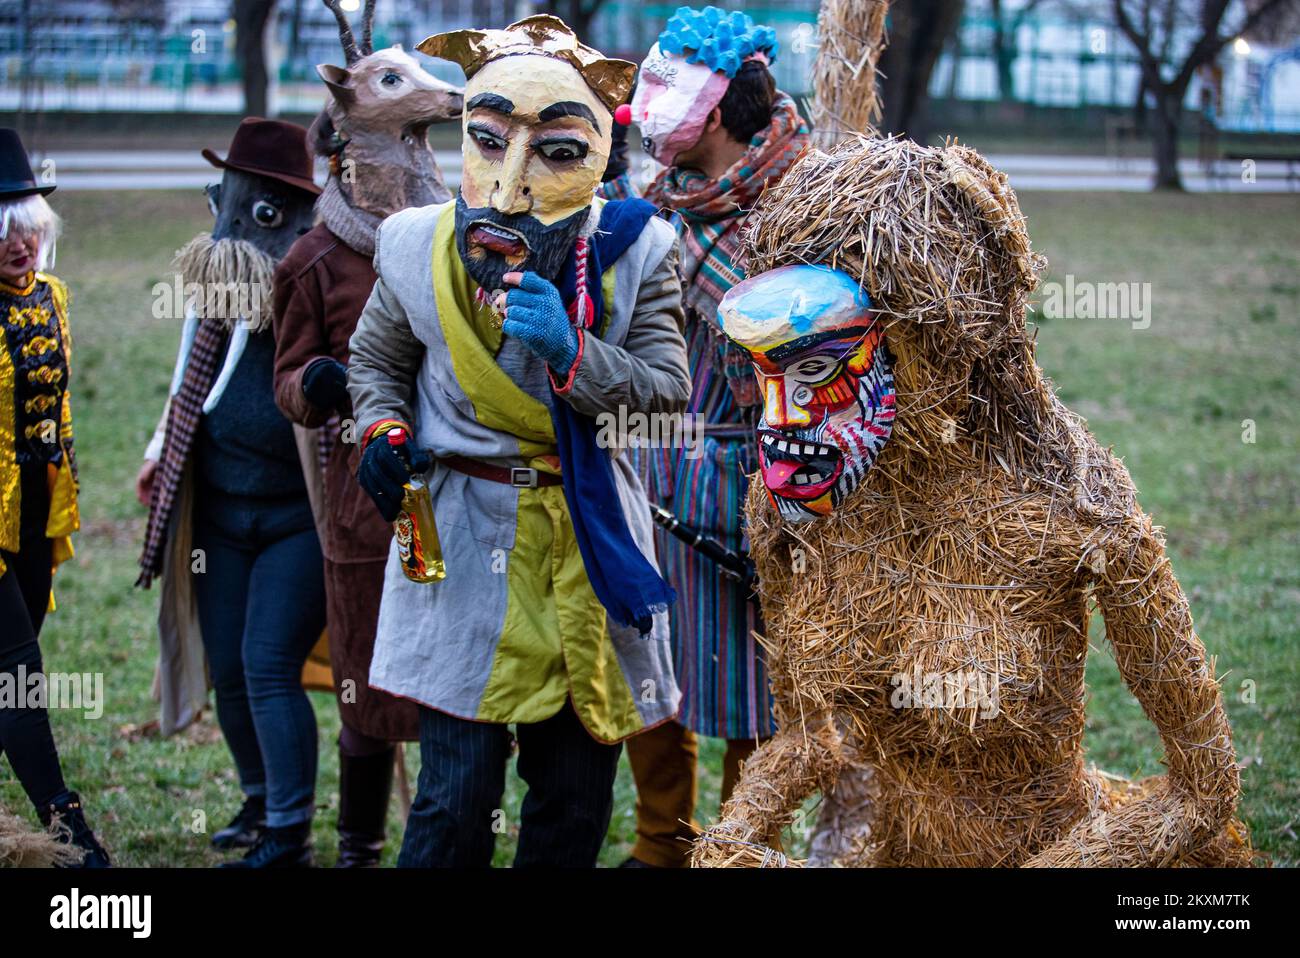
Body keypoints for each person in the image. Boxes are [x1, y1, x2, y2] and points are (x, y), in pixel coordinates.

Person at [345, 15, 689, 868]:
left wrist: (577, 356)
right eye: (491, 140)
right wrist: (381, 428)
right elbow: (374, 361)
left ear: (601, 152)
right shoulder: (414, 245)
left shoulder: (639, 251)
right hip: (462, 546)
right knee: (453, 804)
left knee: (573, 806)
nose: (509, 186)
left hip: (585, 545)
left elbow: (664, 400)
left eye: (557, 152)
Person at [602, 6, 810, 867]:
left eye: (658, 87)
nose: (638, 108)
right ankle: (662, 845)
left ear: (715, 113)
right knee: (649, 671)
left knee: (752, 690)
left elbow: (801, 362)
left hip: (753, 491)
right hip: (647, 473)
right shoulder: (657, 204)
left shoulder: (801, 208)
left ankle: (739, 848)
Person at [272, 0, 462, 867]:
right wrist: (313, 385)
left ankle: (450, 829)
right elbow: (288, 377)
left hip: (457, 486)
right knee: (366, 681)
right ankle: (358, 847)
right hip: (362, 500)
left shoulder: (458, 239)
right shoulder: (313, 259)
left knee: (456, 674)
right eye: (396, 84)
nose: (428, 96)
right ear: (351, 108)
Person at [136, 119, 327, 868]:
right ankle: (257, 800)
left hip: (294, 518)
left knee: (268, 661)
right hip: (219, 508)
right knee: (228, 663)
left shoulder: (317, 283)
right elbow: (189, 379)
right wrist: (159, 450)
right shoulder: (214, 293)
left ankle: (289, 832)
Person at [0, 127, 110, 866]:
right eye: (6, 234)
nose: (22, 246)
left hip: (38, 510)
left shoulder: (55, 297)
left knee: (17, 657)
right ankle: (65, 827)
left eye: (30, 229)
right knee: (17, 671)